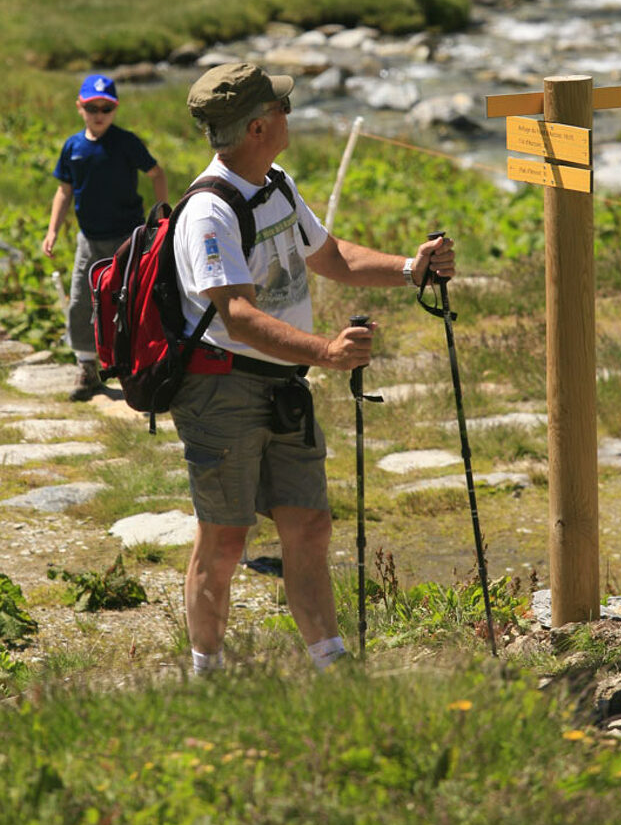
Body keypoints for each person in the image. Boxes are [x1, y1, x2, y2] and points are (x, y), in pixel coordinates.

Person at [172, 61, 456, 674]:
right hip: (220, 389)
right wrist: (324, 352)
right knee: (223, 541)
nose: (287, 115)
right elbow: (239, 316)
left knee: (310, 526)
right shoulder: (208, 213)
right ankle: (207, 675)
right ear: (254, 127)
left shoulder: (276, 183)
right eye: (280, 108)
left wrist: (413, 268)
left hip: (283, 384)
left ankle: (333, 668)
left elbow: (330, 257)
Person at [43, 72, 168, 400]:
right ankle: (87, 367)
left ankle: (139, 366)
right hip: (89, 238)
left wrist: (162, 213)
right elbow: (64, 190)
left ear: (115, 109)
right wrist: (52, 230)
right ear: (80, 107)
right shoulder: (73, 147)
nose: (99, 114)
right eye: (92, 107)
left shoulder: (126, 142)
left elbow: (156, 172)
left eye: (106, 108)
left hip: (128, 237)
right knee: (82, 301)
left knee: (132, 300)